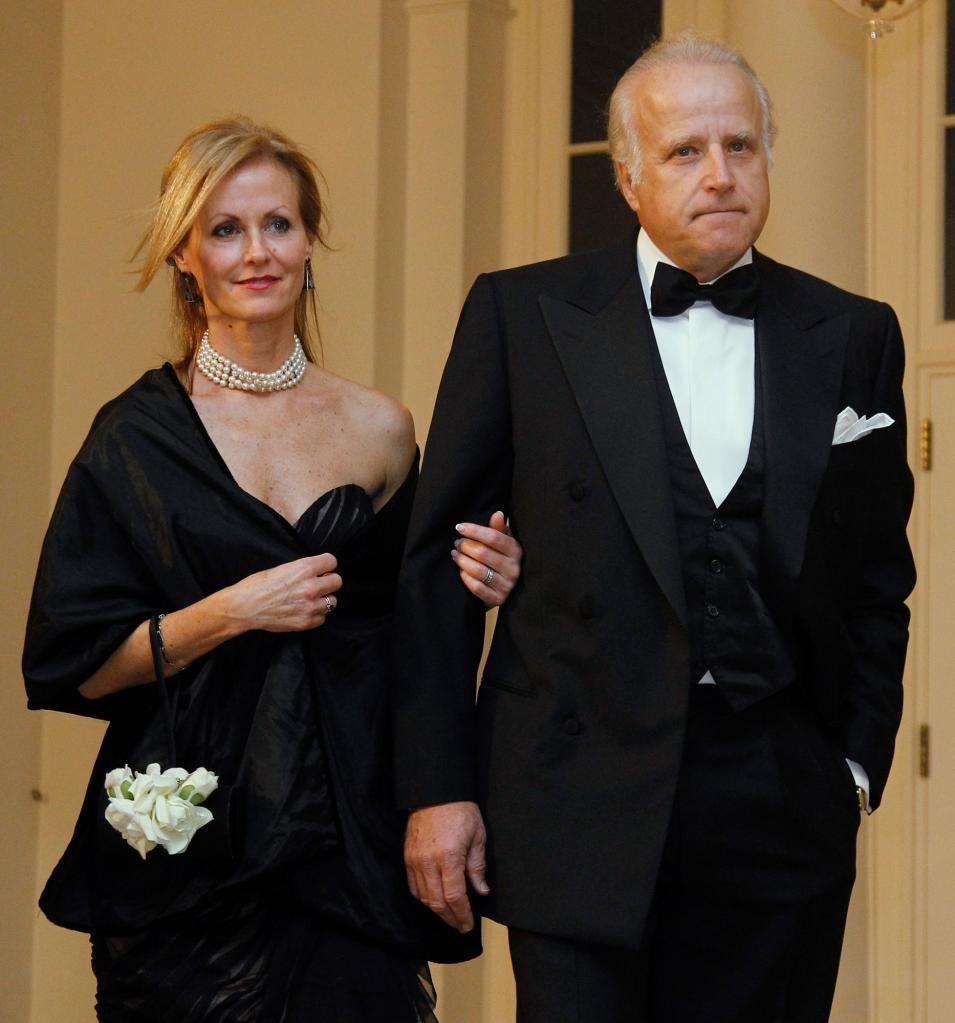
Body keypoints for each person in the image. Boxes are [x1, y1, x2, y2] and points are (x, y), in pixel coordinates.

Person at [394, 35, 915, 1023]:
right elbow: (435, 573)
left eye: (741, 146)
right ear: (627, 179)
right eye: (683, 152)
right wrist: (435, 789)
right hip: (572, 790)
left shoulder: (853, 333)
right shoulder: (523, 315)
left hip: (776, 801)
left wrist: (848, 767)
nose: (719, 174)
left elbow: (877, 583)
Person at [22, 116, 523, 1023]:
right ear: (184, 254)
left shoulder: (381, 428)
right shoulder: (132, 438)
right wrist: (230, 610)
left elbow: (414, 632)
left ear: (308, 241)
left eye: (278, 225)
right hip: (194, 858)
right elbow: (72, 658)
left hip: (348, 839)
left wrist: (489, 571)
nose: (256, 251)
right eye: (225, 229)